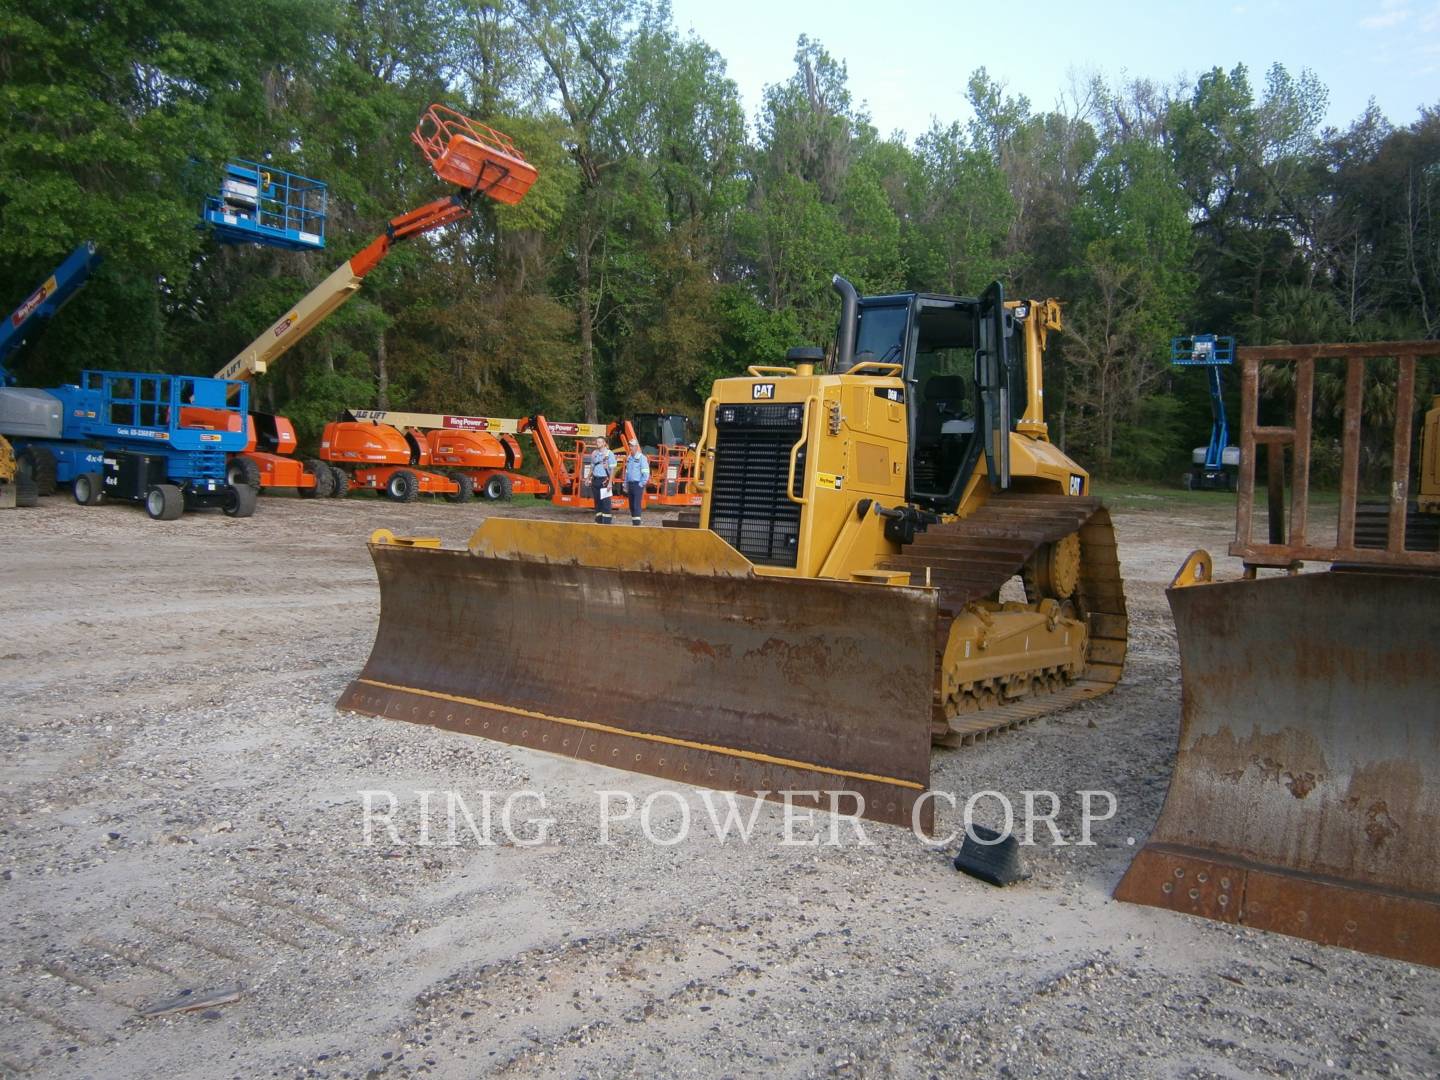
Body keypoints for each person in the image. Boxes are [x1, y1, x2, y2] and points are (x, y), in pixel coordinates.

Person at [588, 437, 616, 524]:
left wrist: (610, 483)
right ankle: (598, 521)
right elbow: (592, 467)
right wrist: (588, 478)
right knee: (597, 502)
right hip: (595, 480)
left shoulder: (609, 454)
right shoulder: (594, 453)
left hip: (605, 480)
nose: (598, 443)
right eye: (597, 442)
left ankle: (607, 523)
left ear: (604, 443)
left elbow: (613, 469)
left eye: (600, 442)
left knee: (606, 502)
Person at [623, 439, 650, 525]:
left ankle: (637, 523)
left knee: (636, 504)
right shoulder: (629, 458)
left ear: (636, 447)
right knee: (631, 505)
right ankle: (634, 522)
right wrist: (625, 484)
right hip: (630, 484)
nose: (631, 447)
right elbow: (627, 472)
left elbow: (646, 473)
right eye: (630, 446)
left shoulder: (642, 458)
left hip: (637, 484)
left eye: (632, 446)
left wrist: (641, 484)